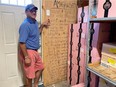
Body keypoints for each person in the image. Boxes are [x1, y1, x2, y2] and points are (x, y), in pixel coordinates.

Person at [18, 4, 50, 87]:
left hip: (35, 51)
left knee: (41, 67)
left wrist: (42, 25)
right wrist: (26, 57)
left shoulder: (35, 22)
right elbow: (22, 43)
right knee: (29, 76)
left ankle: (35, 85)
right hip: (28, 52)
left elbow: (37, 33)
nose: (34, 12)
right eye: (31, 10)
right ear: (26, 12)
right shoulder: (25, 25)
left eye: (35, 10)